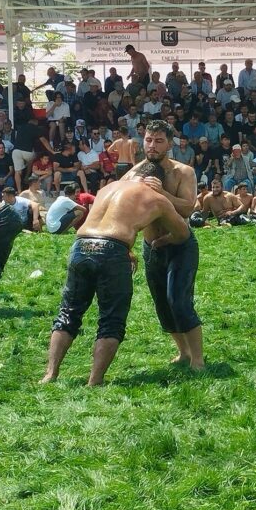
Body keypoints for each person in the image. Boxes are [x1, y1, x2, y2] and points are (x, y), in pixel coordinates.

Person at [41, 162, 189, 386]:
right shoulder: (157, 198)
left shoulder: (107, 188)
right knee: (111, 319)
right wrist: (160, 241)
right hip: (113, 249)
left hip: (81, 245)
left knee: (68, 312)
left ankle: (50, 374)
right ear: (156, 181)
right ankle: (95, 380)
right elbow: (182, 232)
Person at [121, 120, 203, 370]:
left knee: (178, 299)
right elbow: (119, 203)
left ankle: (198, 359)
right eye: (148, 140)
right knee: (162, 303)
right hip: (151, 246)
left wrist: (162, 194)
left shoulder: (183, 172)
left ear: (169, 144)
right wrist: (126, 245)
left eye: (158, 141)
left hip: (180, 245)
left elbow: (189, 206)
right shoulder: (135, 173)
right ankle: (183, 352)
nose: (152, 146)